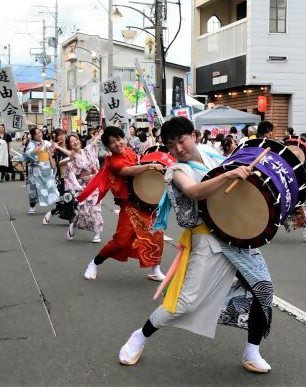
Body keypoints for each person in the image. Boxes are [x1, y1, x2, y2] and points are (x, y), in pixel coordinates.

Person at [117, 117, 274, 372]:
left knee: (263, 290)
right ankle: (140, 336)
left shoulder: (214, 157)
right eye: (171, 145)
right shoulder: (178, 171)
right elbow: (194, 191)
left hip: (236, 234)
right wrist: (231, 174)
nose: (178, 148)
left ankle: (252, 351)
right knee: (184, 304)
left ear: (194, 135)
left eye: (181, 140)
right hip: (207, 240)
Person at [78, 126, 165, 281]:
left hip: (145, 203)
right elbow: (128, 172)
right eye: (112, 142)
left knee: (156, 235)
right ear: (108, 147)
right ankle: (94, 263)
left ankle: (156, 269)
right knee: (121, 240)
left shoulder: (131, 152)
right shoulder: (113, 162)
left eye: (119, 139)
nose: (117, 143)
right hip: (130, 204)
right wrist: (150, 166)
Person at [64, 131, 104, 242]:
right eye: (72, 142)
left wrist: (112, 127)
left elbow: (97, 140)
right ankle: (74, 225)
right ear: (69, 145)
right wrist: (77, 186)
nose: (75, 142)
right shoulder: (72, 159)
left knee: (96, 208)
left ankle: (97, 233)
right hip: (83, 186)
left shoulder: (88, 149)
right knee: (83, 211)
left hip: (95, 184)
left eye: (76, 140)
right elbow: (70, 174)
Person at [24, 127, 60, 215]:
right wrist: (41, 145)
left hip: (46, 168)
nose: (40, 134)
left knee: (51, 186)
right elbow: (29, 154)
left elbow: (51, 153)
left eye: (40, 132)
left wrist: (52, 148)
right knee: (33, 188)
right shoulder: (31, 144)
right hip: (35, 169)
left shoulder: (47, 142)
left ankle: (57, 205)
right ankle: (32, 206)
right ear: (33, 136)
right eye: (37, 134)